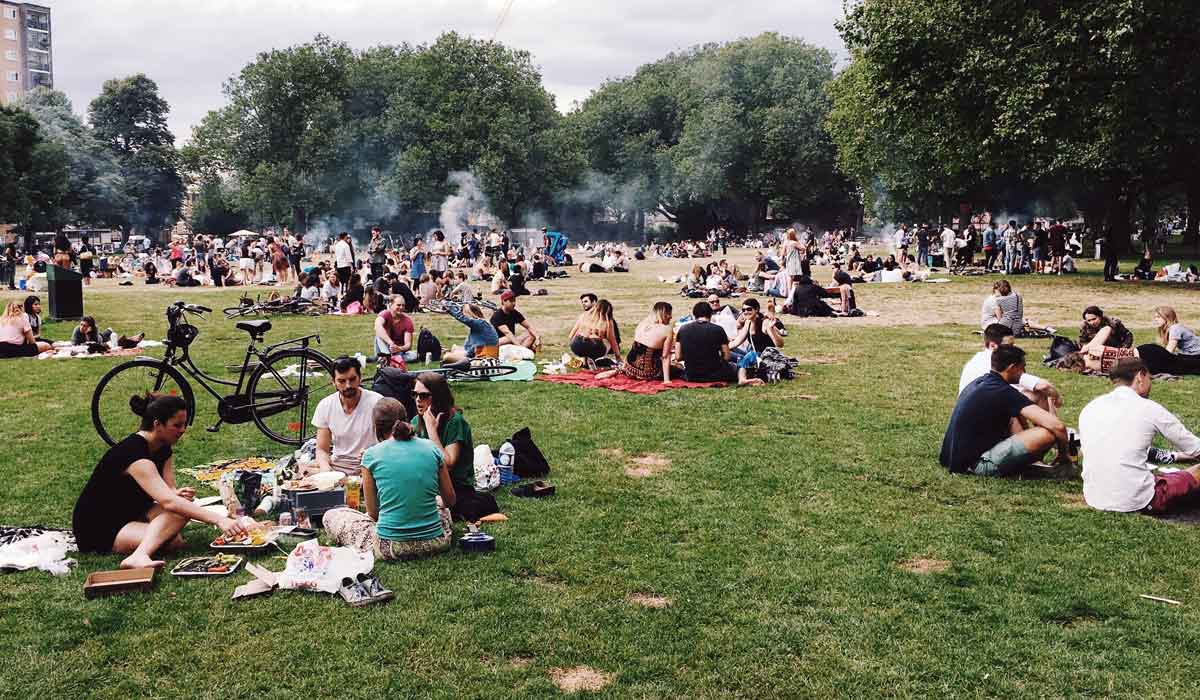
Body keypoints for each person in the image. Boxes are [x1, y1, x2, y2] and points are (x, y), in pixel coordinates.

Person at [71, 393, 249, 569]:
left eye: (184, 424)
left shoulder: (163, 448)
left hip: (133, 512)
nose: (183, 430)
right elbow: (169, 501)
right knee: (171, 537)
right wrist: (219, 520)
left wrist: (175, 493)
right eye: (177, 425)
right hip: (100, 526)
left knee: (178, 523)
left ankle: (146, 544)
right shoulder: (134, 454)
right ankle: (138, 556)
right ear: (157, 424)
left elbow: (170, 491)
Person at [322, 398, 455, 559]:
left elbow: (373, 514)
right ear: (406, 419)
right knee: (442, 509)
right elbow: (450, 500)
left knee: (331, 516)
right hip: (435, 542)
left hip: (390, 547)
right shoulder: (432, 447)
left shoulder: (371, 455)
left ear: (376, 427)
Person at [1079, 358, 1200, 514]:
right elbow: (1196, 448)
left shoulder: (1090, 408)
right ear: (1140, 377)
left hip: (1094, 496)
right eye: (1150, 378)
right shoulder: (1149, 408)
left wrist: (1179, 457)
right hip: (1137, 500)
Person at [940, 345, 1072, 477]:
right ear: (1012, 368)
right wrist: (1064, 455)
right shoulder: (1003, 392)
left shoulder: (981, 382)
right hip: (974, 465)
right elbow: (1058, 426)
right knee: (1047, 433)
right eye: (1022, 367)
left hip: (952, 458)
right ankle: (1031, 466)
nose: (1024, 372)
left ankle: (1032, 462)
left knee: (1022, 412)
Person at [410, 372, 493, 521]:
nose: (417, 400)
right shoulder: (416, 421)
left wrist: (432, 431)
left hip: (455, 487)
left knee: (462, 507)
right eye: (415, 394)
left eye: (423, 396)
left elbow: (448, 464)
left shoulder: (455, 421)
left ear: (437, 397)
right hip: (427, 485)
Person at [959, 323, 1062, 413]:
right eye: (1009, 345)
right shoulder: (998, 362)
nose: (1013, 349)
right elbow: (1042, 386)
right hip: (982, 409)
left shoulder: (979, 358)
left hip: (969, 407)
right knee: (1037, 395)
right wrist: (1056, 397)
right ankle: (1051, 431)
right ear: (993, 346)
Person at [313, 356, 383, 477]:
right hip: (338, 467)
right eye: (341, 381)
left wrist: (372, 456)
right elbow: (322, 449)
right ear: (333, 381)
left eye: (352, 379)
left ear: (360, 378)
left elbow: (388, 443)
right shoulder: (325, 405)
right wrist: (326, 469)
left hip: (370, 465)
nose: (348, 386)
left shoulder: (377, 402)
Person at [596, 301, 678, 385]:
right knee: (678, 368)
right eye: (669, 314)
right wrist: (666, 380)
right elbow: (665, 356)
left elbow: (635, 348)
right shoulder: (667, 330)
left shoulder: (642, 323)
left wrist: (625, 366)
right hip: (648, 373)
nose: (671, 317)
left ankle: (619, 370)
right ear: (663, 313)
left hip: (630, 368)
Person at [676, 301, 737, 383]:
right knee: (735, 366)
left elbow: (678, 357)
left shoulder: (683, 329)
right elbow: (727, 357)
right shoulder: (718, 329)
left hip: (691, 375)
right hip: (716, 374)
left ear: (694, 315)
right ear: (710, 314)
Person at [567, 298, 620, 362]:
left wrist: (572, 345)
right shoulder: (608, 321)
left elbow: (572, 334)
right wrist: (618, 356)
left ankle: (585, 359)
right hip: (595, 348)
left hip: (576, 345)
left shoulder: (584, 315)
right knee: (607, 342)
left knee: (583, 338)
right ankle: (592, 359)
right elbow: (612, 340)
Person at [374, 296, 417, 368]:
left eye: (403, 305)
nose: (401, 307)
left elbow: (408, 345)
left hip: (398, 351)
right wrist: (391, 343)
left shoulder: (407, 321)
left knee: (414, 356)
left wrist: (399, 348)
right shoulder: (385, 314)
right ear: (391, 305)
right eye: (398, 305)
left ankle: (386, 359)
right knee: (379, 334)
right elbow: (377, 326)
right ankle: (387, 358)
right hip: (384, 347)